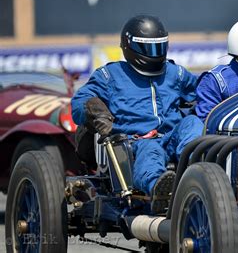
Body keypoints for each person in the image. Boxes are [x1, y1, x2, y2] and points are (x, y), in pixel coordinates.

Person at [71, 15, 203, 212]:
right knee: (150, 149)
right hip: (133, 144)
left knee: (192, 123)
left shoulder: (176, 73)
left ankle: (199, 173)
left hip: (170, 139)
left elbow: (202, 91)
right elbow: (79, 102)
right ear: (129, 46)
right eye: (148, 48)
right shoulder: (110, 75)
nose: (155, 54)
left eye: (159, 47)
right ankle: (160, 189)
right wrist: (95, 111)